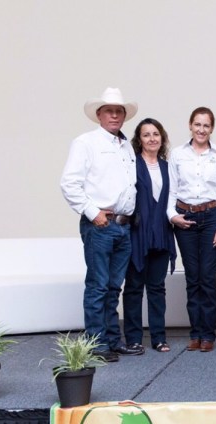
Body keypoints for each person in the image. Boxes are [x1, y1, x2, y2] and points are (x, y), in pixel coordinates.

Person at [61, 87, 139, 362]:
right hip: (101, 225)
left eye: (119, 111)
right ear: (99, 115)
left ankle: (112, 340)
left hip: (124, 226)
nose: (114, 115)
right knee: (98, 285)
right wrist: (93, 213)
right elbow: (69, 183)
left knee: (114, 287)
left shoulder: (126, 146)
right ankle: (96, 343)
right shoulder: (86, 143)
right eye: (109, 111)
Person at [167, 107, 216, 353]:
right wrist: (172, 216)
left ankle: (207, 334)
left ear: (212, 128)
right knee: (192, 277)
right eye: (197, 124)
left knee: (207, 277)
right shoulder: (177, 154)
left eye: (206, 125)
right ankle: (194, 333)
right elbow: (171, 190)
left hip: (211, 217)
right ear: (190, 125)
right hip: (184, 218)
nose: (201, 129)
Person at [121, 118, 176, 354]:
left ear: (162, 138)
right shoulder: (131, 165)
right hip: (137, 235)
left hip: (162, 234)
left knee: (157, 288)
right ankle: (133, 338)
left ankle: (159, 338)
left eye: (155, 134)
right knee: (134, 288)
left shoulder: (168, 167)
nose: (152, 138)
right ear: (139, 139)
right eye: (146, 135)